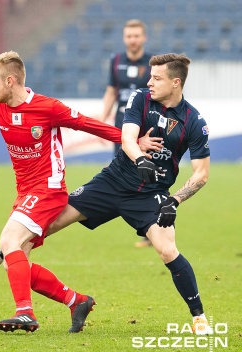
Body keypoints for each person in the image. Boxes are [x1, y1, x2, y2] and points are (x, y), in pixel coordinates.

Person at [0, 53, 214, 335]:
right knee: (40, 228)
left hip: (150, 194)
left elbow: (201, 174)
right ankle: (3, 257)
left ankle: (199, 317)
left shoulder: (194, 122)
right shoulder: (141, 98)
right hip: (112, 182)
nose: (149, 81)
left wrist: (174, 200)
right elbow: (128, 137)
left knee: (167, 250)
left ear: (176, 82)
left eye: (157, 78)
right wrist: (140, 159)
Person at [0, 51, 128, 333]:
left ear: (10, 81)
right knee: (14, 264)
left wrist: (129, 140)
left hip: (49, 188)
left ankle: (25, 313)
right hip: (25, 193)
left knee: (9, 240)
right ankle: (77, 301)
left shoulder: (47, 107)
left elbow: (87, 124)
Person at [100, 19, 153, 248]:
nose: (133, 39)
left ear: (143, 38)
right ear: (124, 38)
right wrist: (102, 121)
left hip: (145, 127)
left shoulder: (153, 63)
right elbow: (112, 91)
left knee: (146, 173)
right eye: (129, 36)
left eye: (136, 35)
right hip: (120, 127)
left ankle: (151, 228)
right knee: (122, 171)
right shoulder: (116, 60)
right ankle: (129, 216)